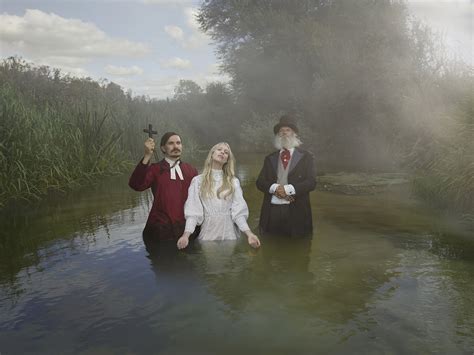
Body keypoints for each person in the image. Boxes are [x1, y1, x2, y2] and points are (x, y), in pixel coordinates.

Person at [177, 142, 261, 249]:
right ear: (212, 154)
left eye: (226, 152)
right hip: (208, 233)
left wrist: (249, 234)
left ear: (227, 160)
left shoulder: (233, 182)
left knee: (228, 264)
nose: (222, 152)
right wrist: (186, 235)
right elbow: (193, 212)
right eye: (219, 149)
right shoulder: (198, 181)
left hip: (229, 234)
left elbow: (239, 213)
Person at [129, 132, 199, 249]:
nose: (176, 146)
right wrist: (147, 156)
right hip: (161, 230)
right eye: (171, 143)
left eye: (178, 143)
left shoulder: (191, 170)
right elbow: (136, 185)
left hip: (188, 230)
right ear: (163, 148)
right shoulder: (155, 169)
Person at [256, 114, 316, 237]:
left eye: (287, 130)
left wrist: (288, 189)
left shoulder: (306, 157)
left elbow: (311, 182)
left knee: (299, 250)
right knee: (269, 248)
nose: (284, 133)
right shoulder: (270, 158)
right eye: (281, 131)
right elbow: (260, 182)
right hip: (272, 211)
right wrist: (274, 188)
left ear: (294, 134)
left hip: (297, 211)